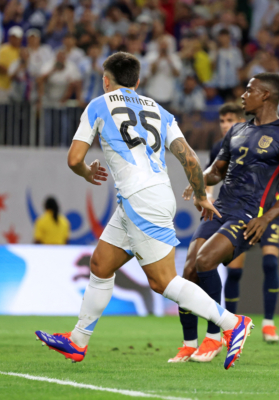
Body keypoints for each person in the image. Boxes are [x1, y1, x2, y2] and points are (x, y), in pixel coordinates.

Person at [35, 52, 252, 371]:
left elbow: (73, 159)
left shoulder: (99, 104)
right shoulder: (160, 111)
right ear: (137, 82)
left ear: (106, 81)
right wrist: (202, 195)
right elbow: (189, 157)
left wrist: (85, 172)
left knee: (162, 281)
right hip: (146, 197)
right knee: (100, 263)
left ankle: (233, 323)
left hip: (141, 199)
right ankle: (78, 341)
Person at [173, 73, 279, 364]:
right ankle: (188, 344)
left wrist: (267, 218)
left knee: (206, 262)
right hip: (220, 208)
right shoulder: (237, 131)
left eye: (249, 90)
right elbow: (217, 171)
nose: (243, 95)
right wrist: (199, 183)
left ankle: (217, 336)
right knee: (189, 270)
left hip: (248, 216)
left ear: (266, 95)